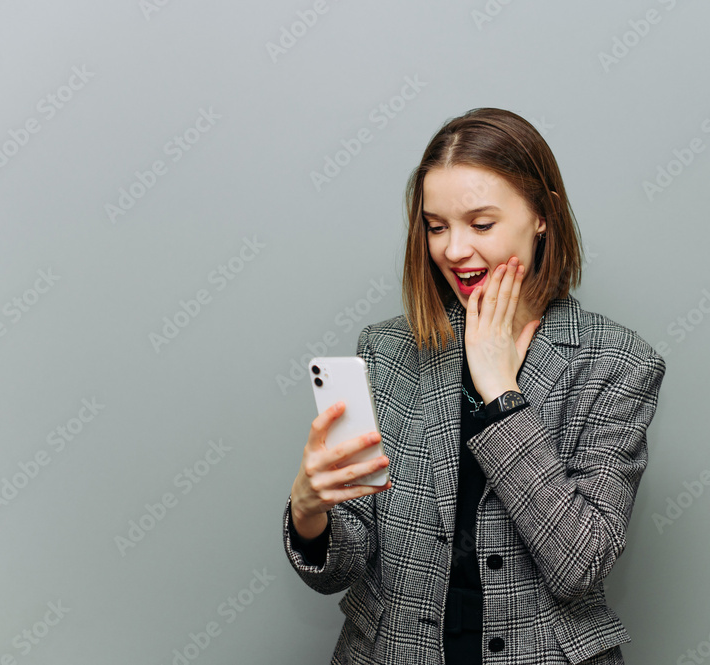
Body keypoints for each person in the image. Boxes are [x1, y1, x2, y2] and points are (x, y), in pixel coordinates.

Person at [283, 107, 666, 664]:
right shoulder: (387, 351)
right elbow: (339, 569)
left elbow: (580, 563)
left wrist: (499, 392)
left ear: (541, 215)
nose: (453, 250)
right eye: (436, 226)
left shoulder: (617, 363)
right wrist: (307, 510)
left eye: (480, 225)